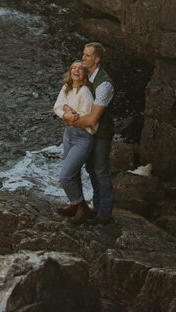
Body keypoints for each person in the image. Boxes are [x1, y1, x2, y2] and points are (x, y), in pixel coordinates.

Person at [63, 41, 115, 225]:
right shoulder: (86, 76)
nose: (83, 57)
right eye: (83, 54)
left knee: (101, 171)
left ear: (97, 59)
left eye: (87, 55)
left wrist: (71, 120)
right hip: (85, 131)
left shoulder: (104, 85)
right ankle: (92, 206)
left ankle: (105, 214)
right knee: (90, 169)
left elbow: (93, 119)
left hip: (100, 133)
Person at [53, 60, 96, 223]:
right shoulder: (67, 87)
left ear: (85, 74)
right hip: (69, 134)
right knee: (74, 173)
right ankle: (75, 204)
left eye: (80, 68)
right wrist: (65, 112)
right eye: (73, 68)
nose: (76, 70)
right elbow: (57, 106)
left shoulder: (85, 92)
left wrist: (69, 118)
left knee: (65, 176)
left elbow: (85, 118)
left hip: (82, 137)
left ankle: (82, 207)